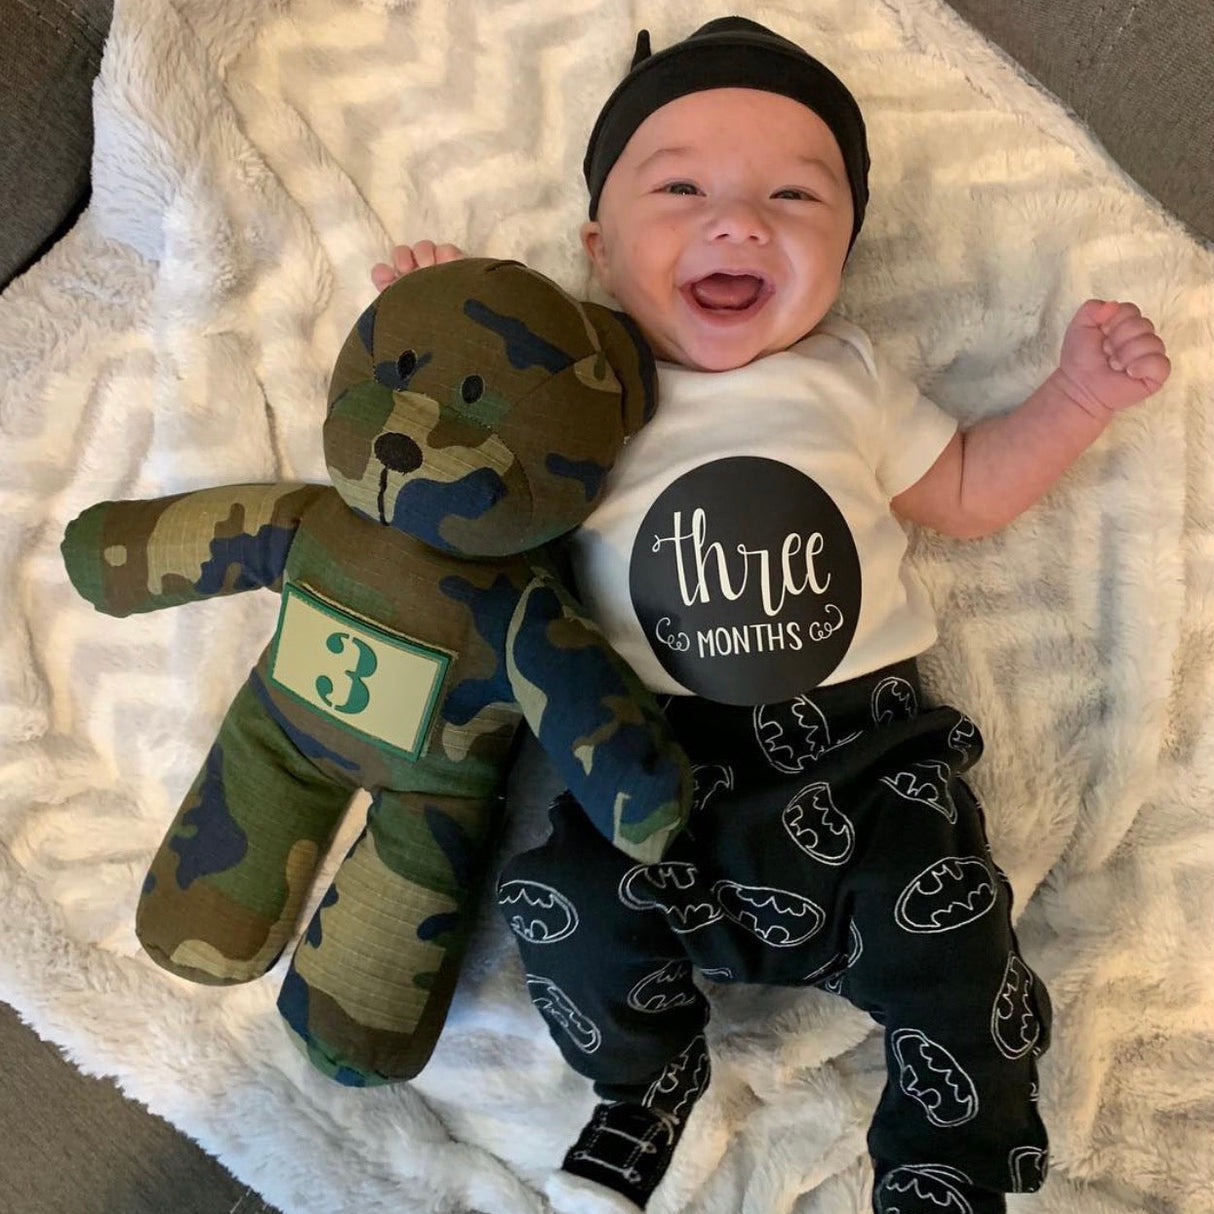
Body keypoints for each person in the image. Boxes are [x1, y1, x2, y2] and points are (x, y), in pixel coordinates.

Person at [370, 17, 1170, 1214]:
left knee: (962, 954)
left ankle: (945, 1174)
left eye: (795, 196)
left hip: (866, 764)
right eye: (681, 185)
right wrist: (451, 324)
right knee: (562, 903)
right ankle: (642, 1079)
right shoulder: (577, 392)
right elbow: (474, 486)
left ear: (847, 245)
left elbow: (960, 494)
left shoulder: (842, 377)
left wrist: (1071, 396)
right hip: (654, 760)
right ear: (597, 244)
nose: (738, 221)